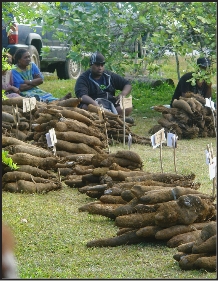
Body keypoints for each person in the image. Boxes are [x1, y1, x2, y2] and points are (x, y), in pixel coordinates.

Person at [75, 51, 133, 122]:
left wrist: (122, 94)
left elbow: (127, 84)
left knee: (128, 105)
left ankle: (110, 118)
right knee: (84, 107)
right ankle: (115, 119)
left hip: (110, 103)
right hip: (93, 105)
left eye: (102, 65)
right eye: (97, 65)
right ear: (91, 65)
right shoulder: (83, 78)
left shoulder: (109, 75)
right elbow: (82, 96)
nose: (100, 68)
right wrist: (95, 105)